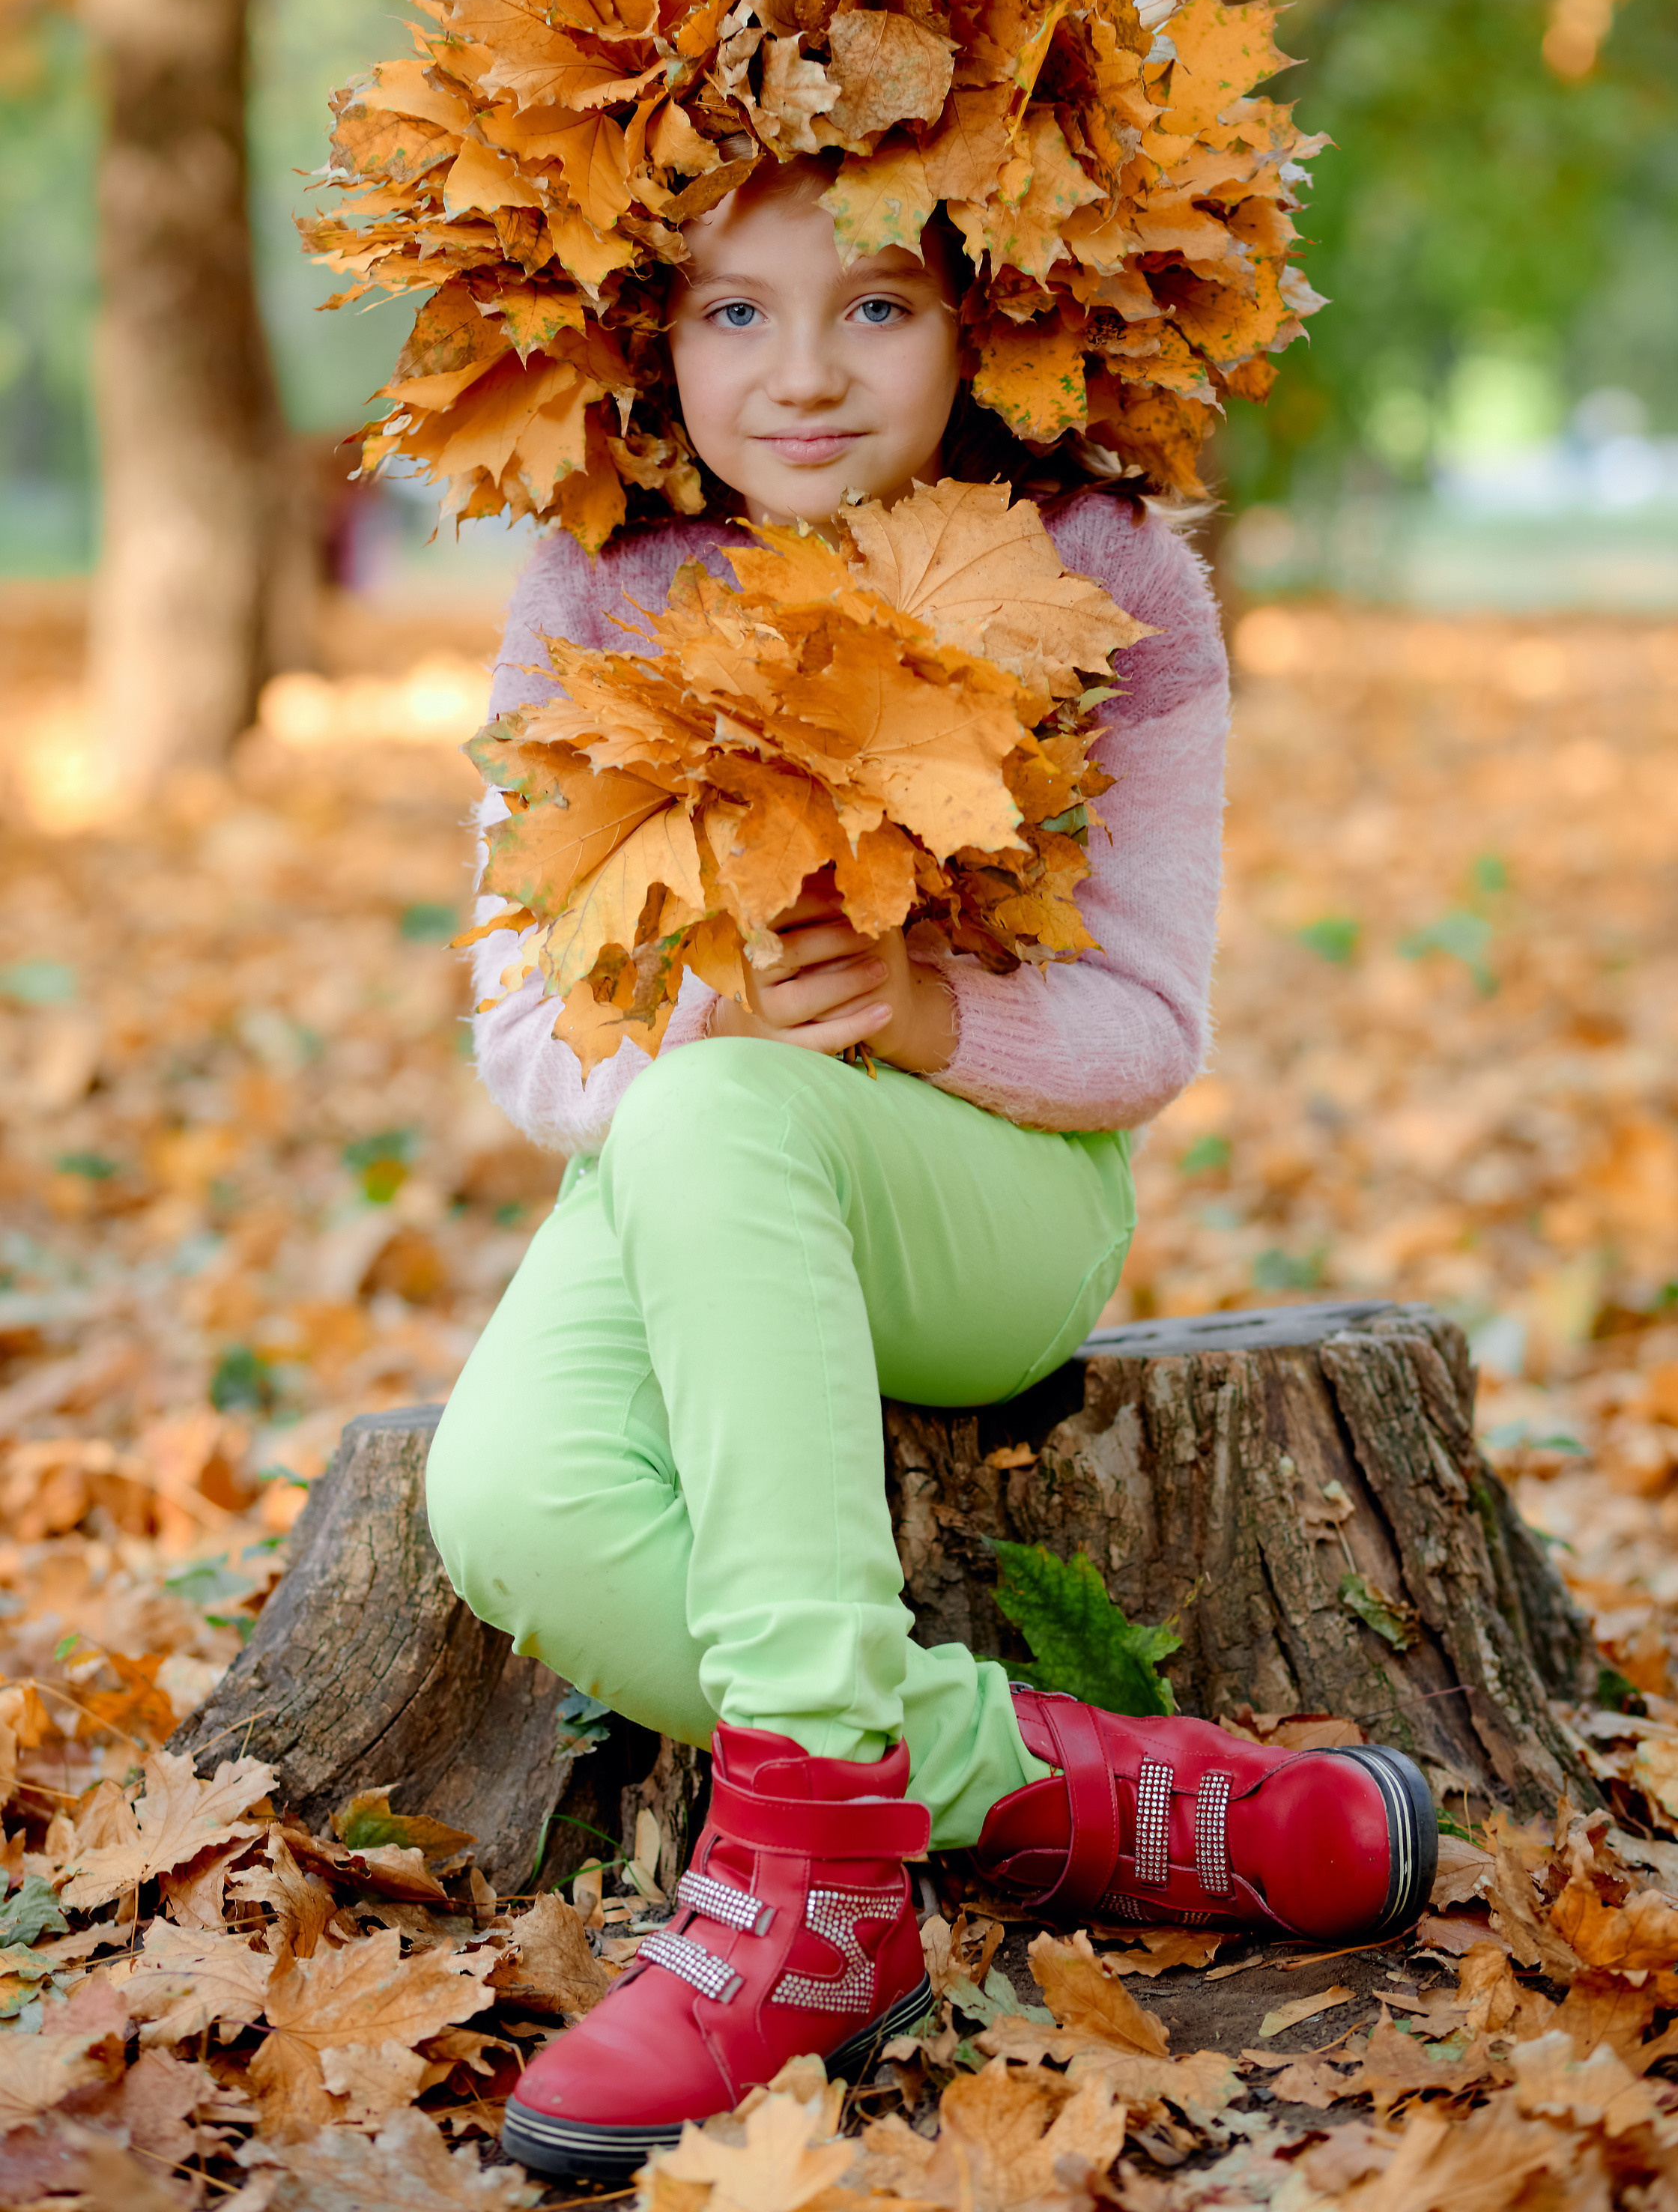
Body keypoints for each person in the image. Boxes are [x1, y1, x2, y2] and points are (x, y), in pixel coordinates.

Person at [424, 155, 1435, 2181]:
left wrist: (917, 1015)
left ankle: (806, 1894)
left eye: (876, 305)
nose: (802, 373)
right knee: (508, 1499)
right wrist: (721, 1006)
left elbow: (1148, 1024)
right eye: (733, 310)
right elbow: (534, 1038)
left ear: (991, 318)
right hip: (690, 1179)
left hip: (988, 1196)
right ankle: (1121, 1797)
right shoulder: (598, 581)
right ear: (652, 329)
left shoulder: (1104, 567)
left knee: (719, 1116)